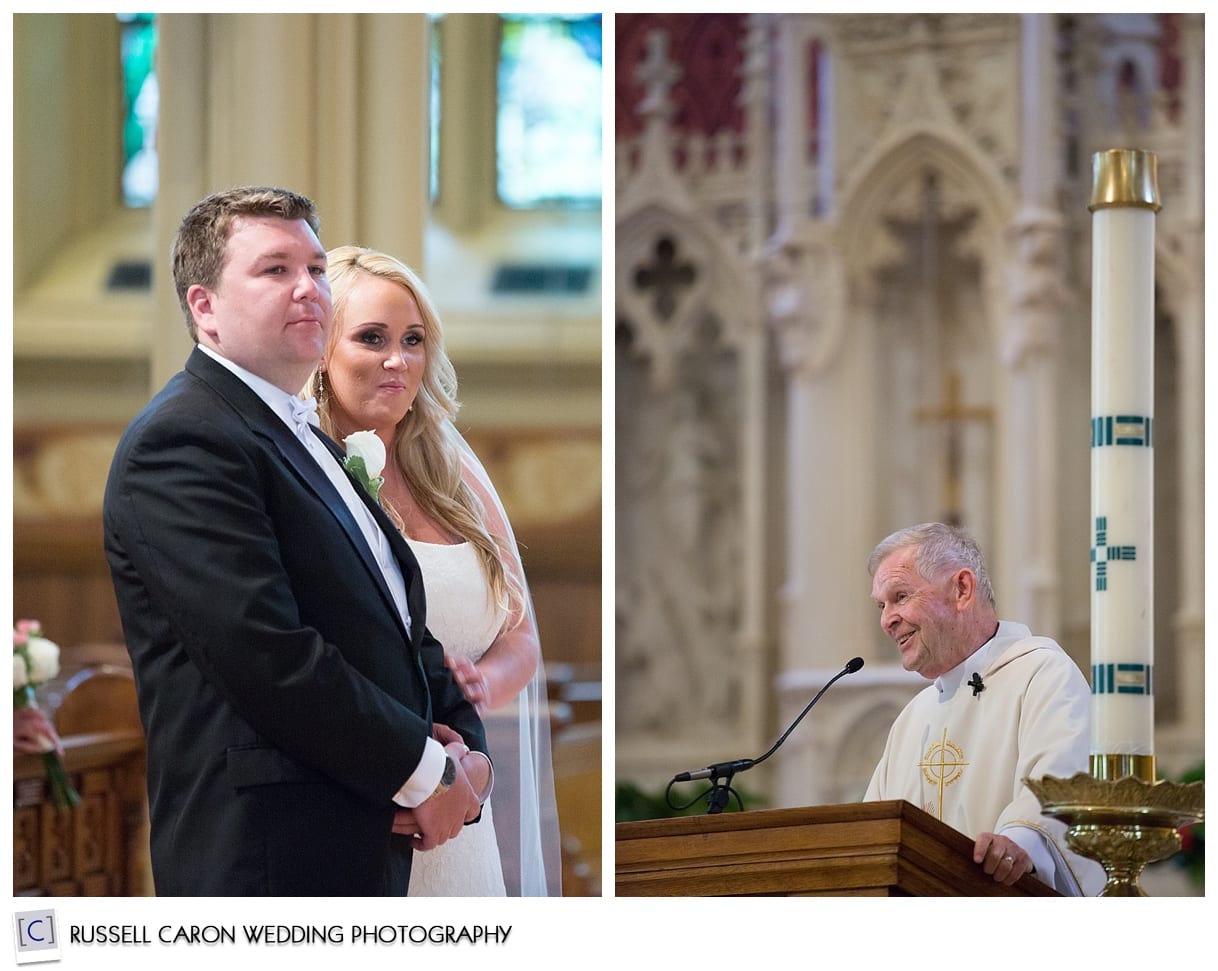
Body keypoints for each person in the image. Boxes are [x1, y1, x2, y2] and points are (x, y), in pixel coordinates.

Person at [102, 186, 489, 895]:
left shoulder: (302, 433)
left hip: (353, 836)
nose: (309, 288)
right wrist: (427, 770)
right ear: (204, 307)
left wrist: (471, 747)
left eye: (314, 267)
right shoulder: (184, 441)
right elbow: (269, 654)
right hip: (270, 857)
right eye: (275, 270)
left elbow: (396, 620)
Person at [305, 245, 561, 896]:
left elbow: (519, 634)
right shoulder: (305, 475)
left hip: (461, 788)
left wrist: (482, 686)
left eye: (413, 339)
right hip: (366, 798)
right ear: (322, 350)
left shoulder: (455, 475)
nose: (399, 360)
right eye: (372, 338)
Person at [863, 522, 1105, 896]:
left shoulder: (1041, 673)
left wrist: (1020, 843)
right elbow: (871, 835)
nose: (886, 619)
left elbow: (1061, 783)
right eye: (882, 605)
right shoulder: (913, 716)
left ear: (962, 589)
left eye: (900, 596)